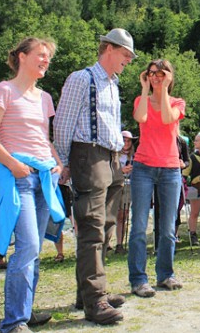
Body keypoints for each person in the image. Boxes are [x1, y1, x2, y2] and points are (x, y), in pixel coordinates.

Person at [0, 37, 64, 332]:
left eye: (48, 57)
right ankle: (13, 321)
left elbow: (44, 139)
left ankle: (24, 314)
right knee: (27, 247)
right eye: (41, 55)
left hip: (45, 176)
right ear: (22, 57)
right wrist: (13, 164)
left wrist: (57, 162)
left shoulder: (45, 98)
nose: (46, 61)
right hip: (20, 177)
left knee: (35, 248)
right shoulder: (3, 90)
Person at [54, 28, 135, 324]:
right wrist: (65, 161)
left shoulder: (113, 84)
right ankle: (95, 299)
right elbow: (63, 122)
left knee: (107, 226)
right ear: (109, 49)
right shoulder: (82, 78)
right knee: (91, 226)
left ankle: (87, 292)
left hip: (112, 158)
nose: (129, 60)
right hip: (89, 156)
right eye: (126, 54)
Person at [128, 58, 185, 298]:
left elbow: (166, 118)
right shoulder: (141, 100)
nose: (155, 77)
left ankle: (165, 275)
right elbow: (141, 119)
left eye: (161, 73)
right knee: (139, 227)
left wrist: (164, 89)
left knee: (167, 228)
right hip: (142, 167)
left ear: (169, 76)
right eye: (151, 73)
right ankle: (139, 280)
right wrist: (145, 89)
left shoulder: (177, 102)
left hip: (170, 169)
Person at [114, 130, 136, 254]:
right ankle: (105, 242)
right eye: (124, 140)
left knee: (123, 215)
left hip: (128, 185)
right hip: (115, 185)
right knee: (111, 215)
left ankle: (119, 244)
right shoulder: (113, 154)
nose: (126, 143)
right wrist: (121, 171)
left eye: (128, 141)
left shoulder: (134, 155)